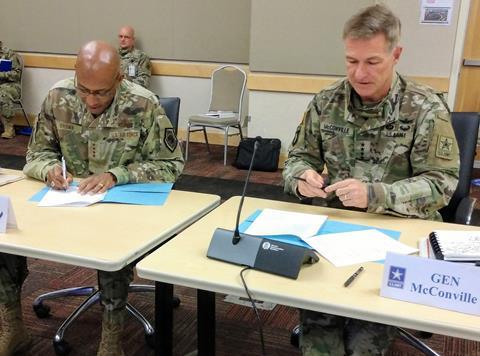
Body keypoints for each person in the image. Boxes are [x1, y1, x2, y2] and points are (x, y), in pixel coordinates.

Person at [283, 4, 459, 355]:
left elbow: (442, 183)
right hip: (334, 233)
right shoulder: (326, 102)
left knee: (363, 344)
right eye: (351, 61)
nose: (359, 73)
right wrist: (300, 177)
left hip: (400, 235)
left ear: (396, 55)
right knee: (320, 339)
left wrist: (375, 194)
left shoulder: (425, 108)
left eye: (372, 62)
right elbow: (297, 158)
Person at [0, 40, 184, 356]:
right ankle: (13, 327)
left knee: (111, 253)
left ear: (119, 79)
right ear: (75, 76)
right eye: (84, 90)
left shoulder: (144, 104)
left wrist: (116, 175)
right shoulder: (58, 97)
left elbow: (170, 165)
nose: (91, 99)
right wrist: (48, 171)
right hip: (63, 203)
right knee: (5, 236)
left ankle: (111, 342)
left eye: (101, 92)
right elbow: (36, 152)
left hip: (120, 206)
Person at [0, 41, 22, 139]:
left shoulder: (9, 54)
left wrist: (1, 74)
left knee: (2, 93)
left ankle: (9, 128)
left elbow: (16, 74)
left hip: (10, 85)